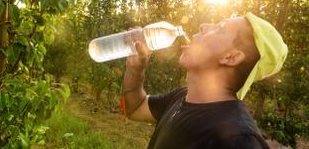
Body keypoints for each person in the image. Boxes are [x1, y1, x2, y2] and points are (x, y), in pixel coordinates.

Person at [122, 13, 288, 149]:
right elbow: (135, 108)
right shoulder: (181, 97)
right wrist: (136, 69)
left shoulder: (239, 140)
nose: (203, 25)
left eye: (219, 27)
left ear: (230, 57)